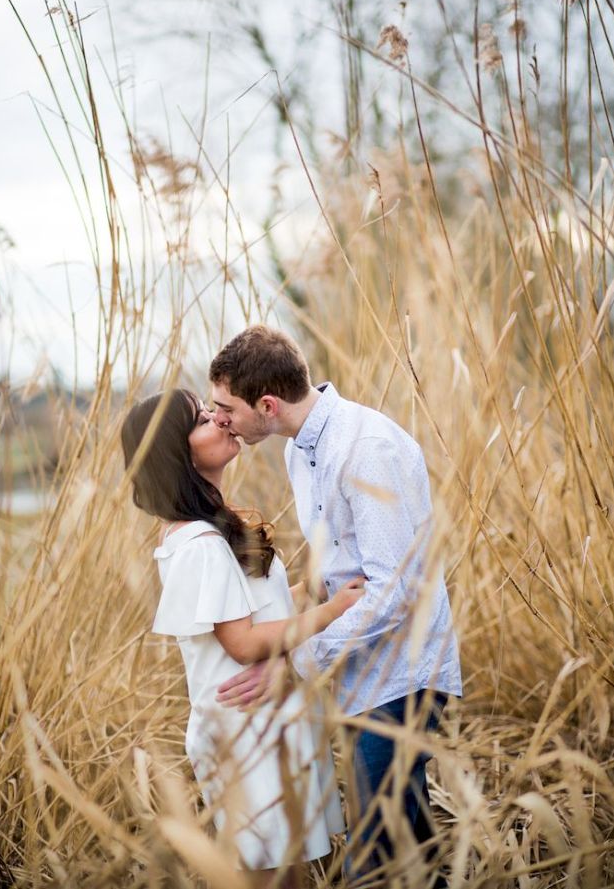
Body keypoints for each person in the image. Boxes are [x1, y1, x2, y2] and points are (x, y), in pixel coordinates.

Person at [208, 325, 462, 882]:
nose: (219, 417)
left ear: (267, 405)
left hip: (401, 677)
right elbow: (334, 572)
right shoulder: (302, 452)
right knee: (407, 846)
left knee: (380, 852)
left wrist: (297, 664)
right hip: (359, 671)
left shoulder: (366, 450)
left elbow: (393, 593)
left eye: (226, 406)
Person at [121, 388, 365, 888]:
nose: (221, 420)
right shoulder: (201, 543)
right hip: (245, 736)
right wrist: (332, 610)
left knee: (288, 871)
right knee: (269, 876)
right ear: (177, 453)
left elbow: (256, 612)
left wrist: (310, 589)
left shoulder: (211, 526)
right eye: (203, 419)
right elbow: (245, 643)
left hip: (266, 726)